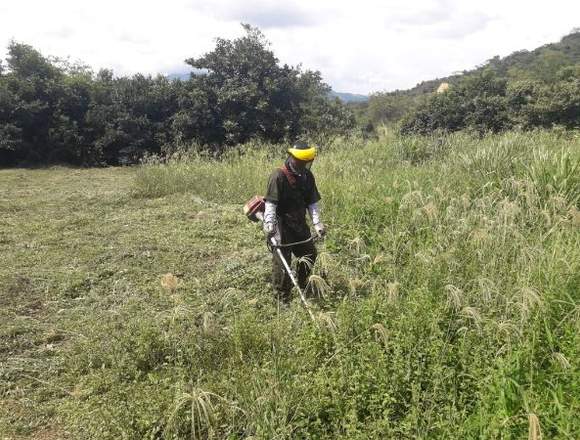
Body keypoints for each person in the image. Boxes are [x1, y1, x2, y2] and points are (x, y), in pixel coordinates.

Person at [263, 141, 326, 302]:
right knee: (282, 265)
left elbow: (312, 202)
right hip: (281, 227)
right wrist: (269, 224)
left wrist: (317, 223)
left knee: (310, 254)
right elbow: (271, 203)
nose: (304, 165)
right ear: (293, 159)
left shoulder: (307, 176)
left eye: (306, 162)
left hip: (299, 225)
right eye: (301, 162)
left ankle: (303, 283)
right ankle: (282, 298)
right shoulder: (278, 175)